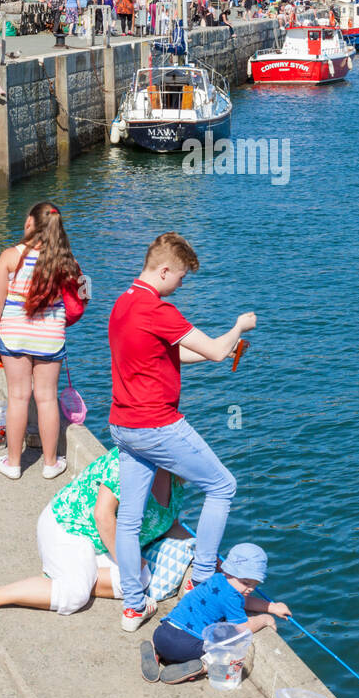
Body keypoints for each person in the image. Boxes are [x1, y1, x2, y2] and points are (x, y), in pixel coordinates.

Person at [108, 231, 256, 632]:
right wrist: (239, 327)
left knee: (129, 520)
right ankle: (202, 576)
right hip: (157, 425)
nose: (180, 286)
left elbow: (171, 354)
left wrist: (216, 351)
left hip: (123, 425)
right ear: (165, 269)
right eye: (180, 278)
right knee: (223, 486)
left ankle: (134, 607)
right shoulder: (159, 310)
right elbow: (216, 350)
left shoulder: (122, 305)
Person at [0, 446, 191, 628]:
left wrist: (205, 556)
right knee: (76, 595)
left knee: (142, 577)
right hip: (68, 527)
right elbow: (102, 516)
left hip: (101, 546)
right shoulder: (127, 462)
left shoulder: (175, 482)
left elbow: (170, 525)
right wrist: (126, 561)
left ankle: (66, 572)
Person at [0, 202, 84, 479]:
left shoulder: (10, 257)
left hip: (15, 335)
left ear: (29, 222)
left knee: (17, 397)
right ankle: (50, 463)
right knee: (47, 398)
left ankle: (13, 463)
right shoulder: (67, 262)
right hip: (50, 337)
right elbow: (85, 292)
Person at [142, 542, 290, 684]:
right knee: (227, 650)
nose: (250, 589)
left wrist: (272, 607)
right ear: (229, 572)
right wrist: (265, 619)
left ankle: (156, 651)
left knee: (171, 637)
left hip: (162, 633)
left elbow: (244, 600)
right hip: (186, 648)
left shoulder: (217, 578)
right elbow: (243, 628)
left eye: (255, 584)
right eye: (246, 583)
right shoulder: (231, 596)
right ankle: (203, 666)